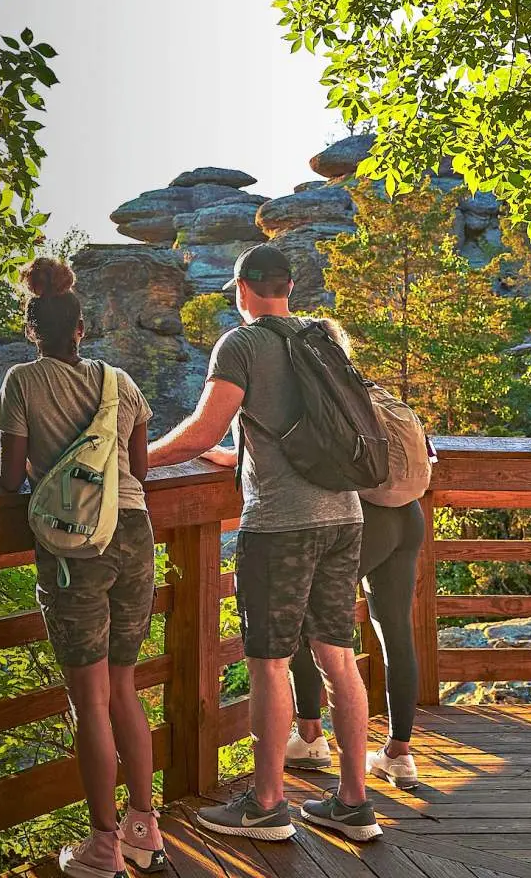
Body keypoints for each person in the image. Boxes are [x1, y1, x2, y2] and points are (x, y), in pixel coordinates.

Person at [147, 244, 383, 843]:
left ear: (242, 288)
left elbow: (201, 426)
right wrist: (224, 456)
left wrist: (133, 458)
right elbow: (250, 439)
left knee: (269, 662)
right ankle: (354, 804)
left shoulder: (241, 343)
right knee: (336, 653)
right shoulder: (322, 336)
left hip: (280, 525)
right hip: (344, 515)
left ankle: (267, 805)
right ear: (287, 286)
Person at [0, 256, 167, 877]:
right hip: (136, 533)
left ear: (33, 332)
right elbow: (140, 472)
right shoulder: (121, 382)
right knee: (125, 687)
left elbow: (10, 477)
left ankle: (102, 848)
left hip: (76, 550)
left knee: (89, 701)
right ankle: (144, 829)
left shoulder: (22, 381)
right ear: (82, 330)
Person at [283, 319, 425, 788]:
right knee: (395, 631)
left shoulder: (329, 398)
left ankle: (309, 735)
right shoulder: (375, 392)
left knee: (300, 619)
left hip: (371, 521)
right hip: (409, 515)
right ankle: (399, 755)